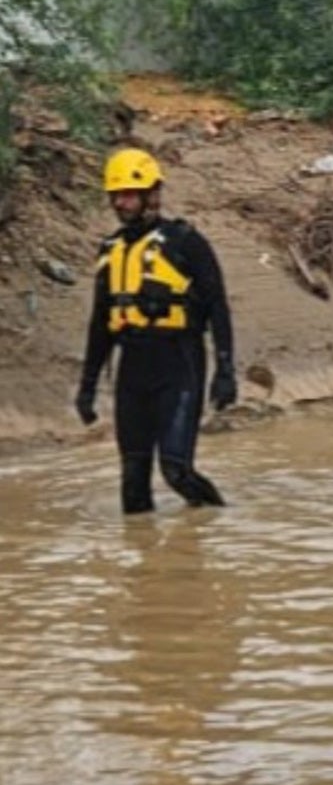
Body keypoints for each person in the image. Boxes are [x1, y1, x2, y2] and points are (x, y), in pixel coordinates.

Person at [76, 148, 237, 513]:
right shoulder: (110, 249)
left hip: (179, 366)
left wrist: (225, 370)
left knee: (176, 471)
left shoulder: (185, 242)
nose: (122, 203)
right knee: (132, 484)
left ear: (152, 194)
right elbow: (100, 324)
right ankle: (143, 566)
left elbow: (217, 308)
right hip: (132, 371)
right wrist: (87, 386)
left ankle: (214, 520)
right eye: (116, 196)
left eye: (130, 194)